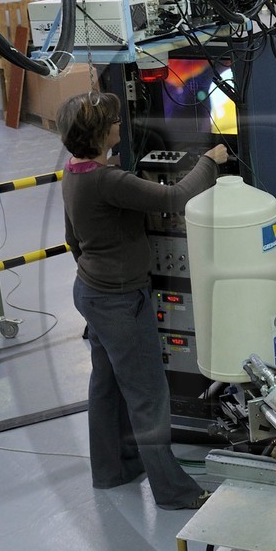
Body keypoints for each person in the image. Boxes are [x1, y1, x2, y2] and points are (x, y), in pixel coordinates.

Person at [58, 90, 227, 506]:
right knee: (149, 397)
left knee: (107, 385)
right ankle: (172, 491)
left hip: (90, 292)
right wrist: (210, 162)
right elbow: (173, 198)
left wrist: (100, 270)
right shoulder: (108, 181)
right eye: (115, 121)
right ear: (102, 132)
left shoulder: (73, 172)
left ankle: (113, 469)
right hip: (119, 301)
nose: (121, 124)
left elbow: (72, 239)